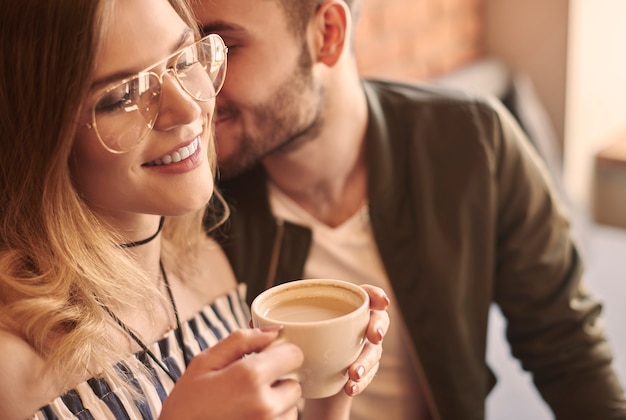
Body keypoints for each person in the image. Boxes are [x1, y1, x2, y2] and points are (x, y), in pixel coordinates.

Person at [193, 0, 626, 418]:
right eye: (187, 52)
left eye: (222, 48)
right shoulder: (193, 194)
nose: (195, 86)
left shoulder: (474, 142)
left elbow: (567, 350)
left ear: (328, 34)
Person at [0, 1, 390, 419]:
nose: (189, 108)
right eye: (122, 95)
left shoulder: (205, 264)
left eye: (184, 58)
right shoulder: (11, 362)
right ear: (41, 134)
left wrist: (328, 389)